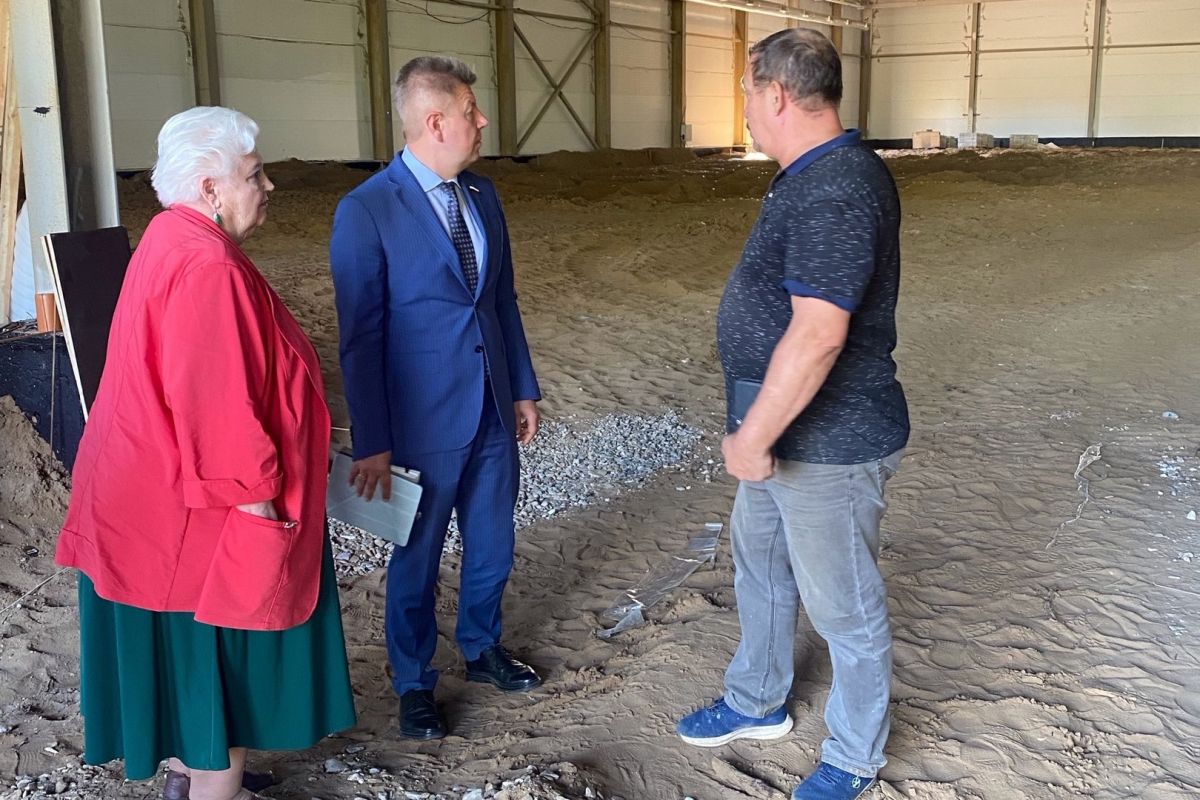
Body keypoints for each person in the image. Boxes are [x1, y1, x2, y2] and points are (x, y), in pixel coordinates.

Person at [55, 106, 356, 800]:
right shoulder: (209, 266)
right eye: (255, 174)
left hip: (145, 501)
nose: (268, 186)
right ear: (211, 188)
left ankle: (187, 778)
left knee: (188, 665)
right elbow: (217, 409)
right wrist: (260, 517)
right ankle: (212, 786)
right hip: (194, 519)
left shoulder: (169, 236)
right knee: (223, 681)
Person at [674, 29, 909, 800]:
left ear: (776, 94)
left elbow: (818, 334)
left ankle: (854, 757)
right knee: (763, 568)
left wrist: (754, 436)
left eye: (747, 91)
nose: (745, 106)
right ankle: (758, 700)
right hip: (784, 433)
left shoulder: (836, 187)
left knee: (846, 608)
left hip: (828, 444)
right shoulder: (808, 175)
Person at [329, 55, 542, 740]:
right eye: (471, 111)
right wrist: (373, 441)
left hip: (492, 407)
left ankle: (481, 648)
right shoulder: (367, 210)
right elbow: (361, 337)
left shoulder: (482, 195)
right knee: (416, 559)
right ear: (435, 120)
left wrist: (523, 387)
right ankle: (414, 682)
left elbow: (501, 301)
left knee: (493, 544)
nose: (483, 121)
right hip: (419, 423)